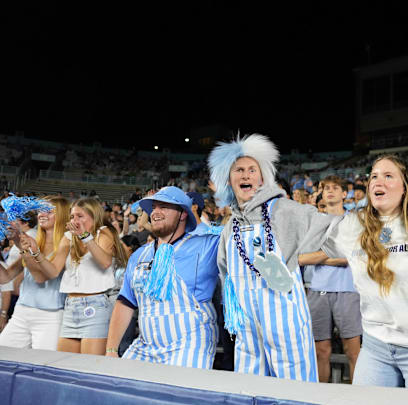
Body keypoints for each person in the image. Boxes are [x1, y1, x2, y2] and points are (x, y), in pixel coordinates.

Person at [320, 155, 408, 391]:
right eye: (374, 176)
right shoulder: (353, 224)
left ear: (405, 187)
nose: (378, 182)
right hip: (376, 347)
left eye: (388, 176)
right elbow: (312, 244)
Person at [210, 134, 338, 382]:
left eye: (252, 170)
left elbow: (336, 233)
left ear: (262, 178)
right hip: (248, 335)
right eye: (239, 170)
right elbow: (226, 278)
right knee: (250, 392)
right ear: (229, 178)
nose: (246, 175)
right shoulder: (229, 228)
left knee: (294, 394)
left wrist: (299, 258)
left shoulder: (283, 211)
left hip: (286, 330)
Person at [105, 186, 221, 368]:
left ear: (183, 214)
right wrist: (111, 350)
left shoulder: (207, 245)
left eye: (164, 207)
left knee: (177, 393)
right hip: (145, 346)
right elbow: (125, 302)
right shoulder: (139, 255)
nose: (155, 213)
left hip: (189, 344)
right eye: (154, 208)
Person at [23, 197, 128, 355]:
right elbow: (53, 271)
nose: (75, 220)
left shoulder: (103, 232)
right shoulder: (68, 237)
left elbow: (105, 262)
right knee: (65, 366)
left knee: (89, 367)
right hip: (71, 305)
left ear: (93, 216)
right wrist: (35, 252)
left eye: (80, 216)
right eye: (72, 216)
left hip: (95, 306)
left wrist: (85, 236)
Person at [299, 175, 361, 383]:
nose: (330, 191)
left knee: (353, 351)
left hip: (347, 290)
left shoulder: (354, 220)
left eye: (335, 188)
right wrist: (323, 256)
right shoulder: (315, 221)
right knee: (320, 351)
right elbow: (305, 253)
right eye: (326, 189)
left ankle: (357, 399)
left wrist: (315, 258)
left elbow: (346, 258)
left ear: (345, 194)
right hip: (317, 290)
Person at [0, 197, 69, 350]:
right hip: (22, 311)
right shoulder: (34, 241)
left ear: (62, 215)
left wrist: (23, 248)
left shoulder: (66, 242)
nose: (42, 214)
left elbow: (41, 277)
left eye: (49, 211)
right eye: (40, 211)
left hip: (50, 316)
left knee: (43, 366)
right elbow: (6, 277)